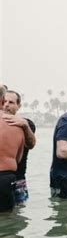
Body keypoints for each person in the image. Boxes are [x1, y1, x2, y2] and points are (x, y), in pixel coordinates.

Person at [2, 90, 36, 204]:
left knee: (20, 213)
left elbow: (31, 145)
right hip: (5, 176)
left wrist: (25, 126)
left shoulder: (26, 123)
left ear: (18, 106)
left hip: (19, 177)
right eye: (4, 101)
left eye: (11, 102)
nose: (6, 104)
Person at [0, 84, 25, 212]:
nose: (7, 105)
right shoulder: (20, 126)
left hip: (12, 178)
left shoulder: (24, 124)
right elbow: (18, 158)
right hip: (7, 178)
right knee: (8, 219)